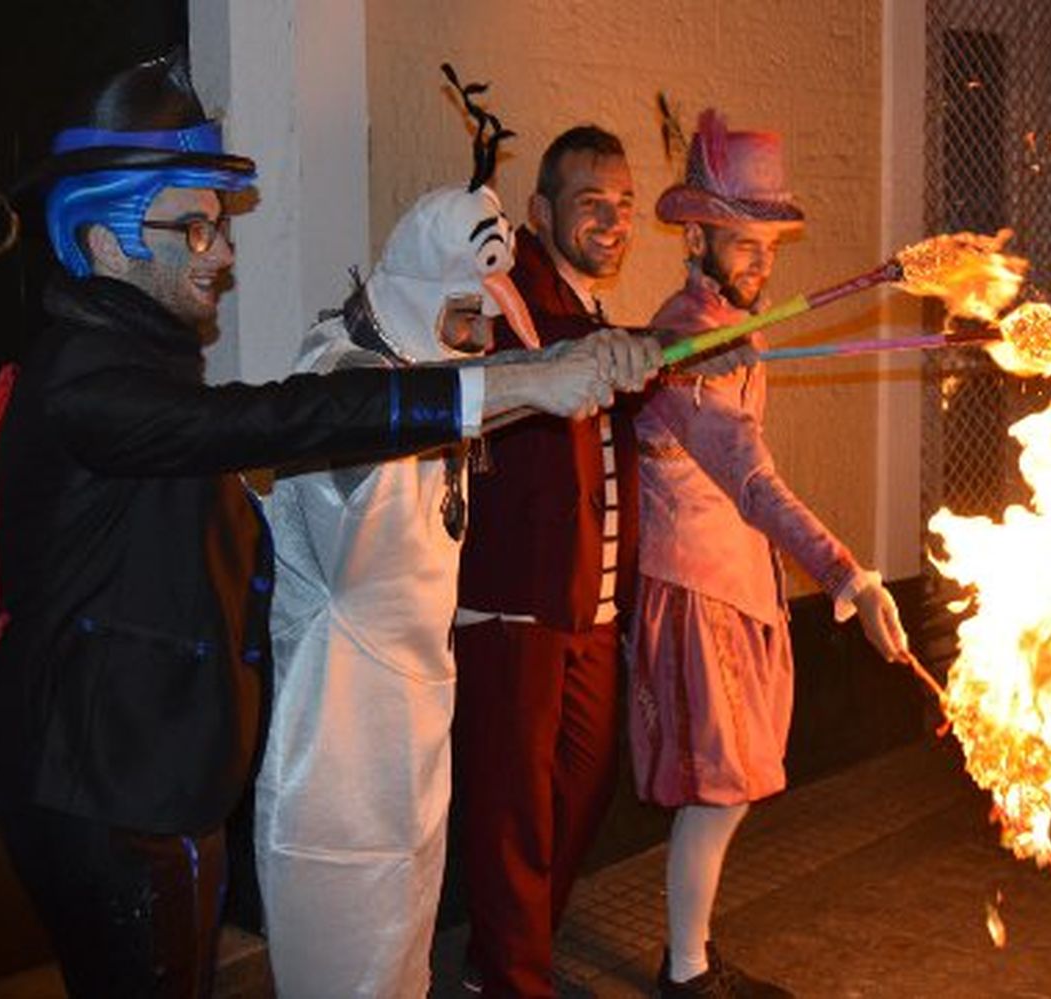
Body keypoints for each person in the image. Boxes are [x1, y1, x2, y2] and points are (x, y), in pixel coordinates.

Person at [0, 50, 632, 998]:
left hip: (153, 773)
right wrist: (521, 382)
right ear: (107, 242)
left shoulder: (137, 361)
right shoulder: (87, 379)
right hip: (106, 792)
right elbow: (289, 416)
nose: (226, 253)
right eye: (196, 229)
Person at [253, 78, 661, 998]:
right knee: (343, 932)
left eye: (487, 321)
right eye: (465, 315)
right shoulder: (345, 370)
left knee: (408, 921)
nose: (478, 338)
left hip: (420, 702)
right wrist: (533, 376)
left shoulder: (443, 370)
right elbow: (376, 424)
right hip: (340, 728)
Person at [631, 110, 912, 998]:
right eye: (744, 245)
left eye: (770, 246)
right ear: (698, 235)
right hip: (696, 591)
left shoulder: (726, 331)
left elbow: (753, 476)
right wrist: (850, 576)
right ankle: (685, 972)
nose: (762, 264)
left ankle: (692, 956)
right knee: (717, 791)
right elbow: (752, 480)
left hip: (737, 587)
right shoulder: (687, 341)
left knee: (734, 788)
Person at [450, 125, 645, 997]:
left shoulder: (592, 313)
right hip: (513, 613)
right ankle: (513, 977)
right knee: (511, 817)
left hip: (593, 616)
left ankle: (506, 956)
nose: (612, 221)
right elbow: (481, 380)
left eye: (625, 205)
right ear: (540, 212)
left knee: (581, 794)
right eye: (590, 203)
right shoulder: (502, 294)